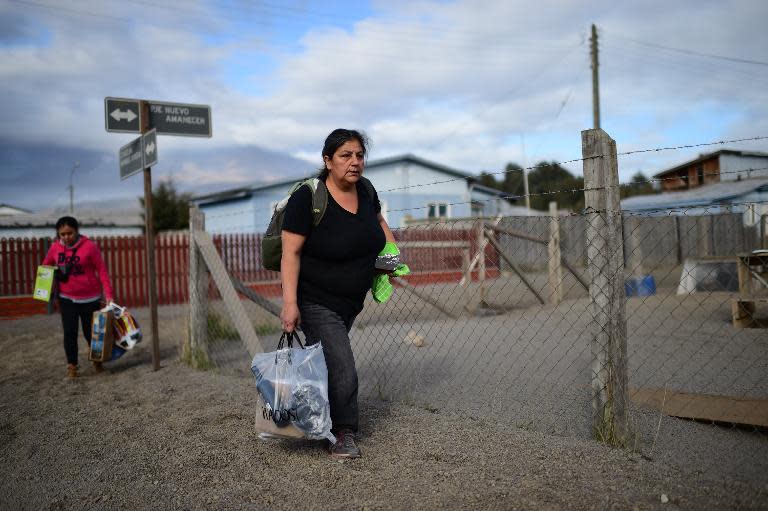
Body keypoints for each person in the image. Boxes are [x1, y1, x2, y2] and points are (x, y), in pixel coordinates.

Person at [280, 128, 395, 458]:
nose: (355, 162)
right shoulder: (309, 198)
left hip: (349, 301)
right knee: (343, 365)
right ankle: (343, 433)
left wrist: (392, 256)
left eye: (359, 155)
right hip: (315, 298)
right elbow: (291, 253)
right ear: (328, 160)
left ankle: (312, 418)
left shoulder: (367, 190)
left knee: (326, 362)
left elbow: (379, 223)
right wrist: (290, 304)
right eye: (346, 155)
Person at [42, 216, 114, 379]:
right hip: (66, 298)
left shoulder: (89, 247)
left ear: (77, 231)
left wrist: (108, 294)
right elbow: (45, 266)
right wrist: (44, 290)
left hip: (90, 298)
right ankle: (72, 367)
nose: (66, 237)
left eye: (70, 233)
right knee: (69, 332)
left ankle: (97, 362)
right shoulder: (54, 248)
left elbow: (102, 271)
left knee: (92, 334)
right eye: (62, 234)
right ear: (58, 234)